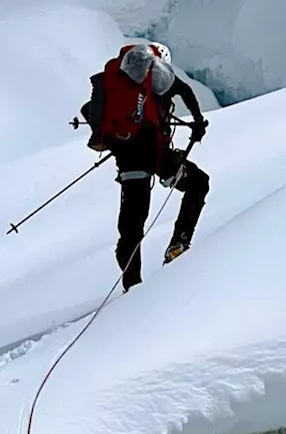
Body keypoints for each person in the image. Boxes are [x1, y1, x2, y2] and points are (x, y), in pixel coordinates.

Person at [80, 43, 211, 292]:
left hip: (128, 160)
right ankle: (179, 243)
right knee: (198, 183)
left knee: (133, 225)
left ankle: (132, 285)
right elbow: (185, 92)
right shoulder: (157, 76)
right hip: (157, 157)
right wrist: (197, 123)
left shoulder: (115, 79)